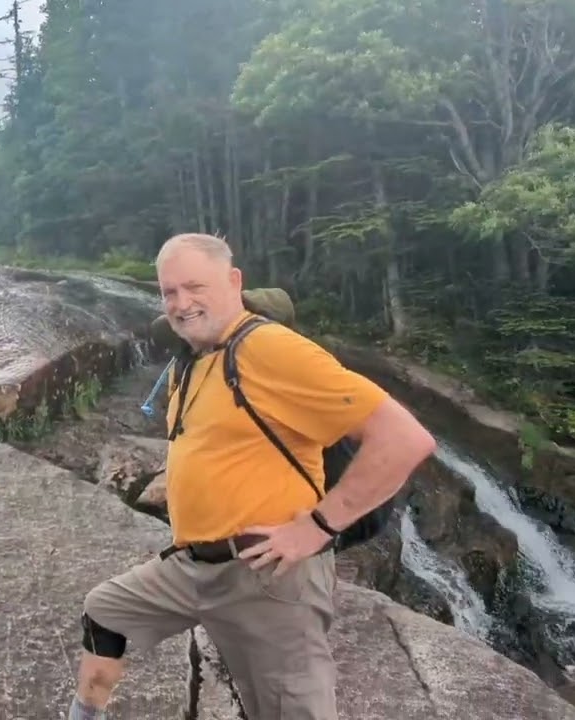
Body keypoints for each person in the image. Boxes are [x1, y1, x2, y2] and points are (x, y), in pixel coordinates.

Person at [68, 233, 436, 720]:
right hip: (194, 567)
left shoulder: (269, 348)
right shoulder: (193, 359)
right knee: (106, 613)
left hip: (267, 578)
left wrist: (318, 527)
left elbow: (405, 439)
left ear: (234, 281)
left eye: (195, 286)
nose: (181, 303)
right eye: (169, 292)